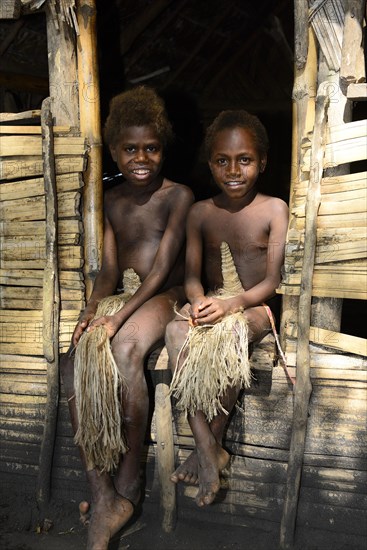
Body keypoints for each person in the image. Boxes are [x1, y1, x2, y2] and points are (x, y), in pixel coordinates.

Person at [60, 85, 194, 550]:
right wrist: (90, 311)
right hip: (128, 293)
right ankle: (103, 495)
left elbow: (158, 272)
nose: (142, 158)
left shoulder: (179, 195)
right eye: (131, 149)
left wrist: (118, 320)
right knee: (78, 357)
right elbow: (109, 272)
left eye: (151, 148)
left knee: (124, 347)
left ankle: (131, 476)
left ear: (163, 149)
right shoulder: (111, 200)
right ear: (115, 150)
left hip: (166, 292)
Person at [165, 109, 289, 508]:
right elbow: (190, 277)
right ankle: (208, 446)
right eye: (222, 160)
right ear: (210, 163)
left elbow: (272, 282)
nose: (233, 170)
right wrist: (199, 300)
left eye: (245, 160)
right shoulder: (201, 212)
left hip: (253, 309)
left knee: (231, 335)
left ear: (263, 162)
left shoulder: (274, 209)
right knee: (174, 331)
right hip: (215, 303)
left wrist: (231, 304)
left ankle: (204, 446)